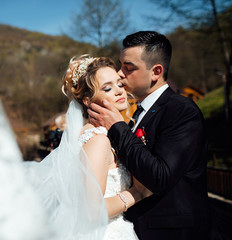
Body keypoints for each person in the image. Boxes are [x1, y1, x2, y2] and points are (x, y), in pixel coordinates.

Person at [88, 31, 209, 240]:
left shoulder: (181, 110)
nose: (119, 73)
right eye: (120, 65)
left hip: (173, 232)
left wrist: (118, 126)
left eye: (129, 68)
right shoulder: (138, 113)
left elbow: (159, 177)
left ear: (156, 72)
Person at [25, 55, 151, 239]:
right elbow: (92, 212)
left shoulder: (98, 136)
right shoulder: (98, 140)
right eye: (107, 88)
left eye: (120, 84)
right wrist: (137, 193)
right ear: (87, 100)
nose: (119, 91)